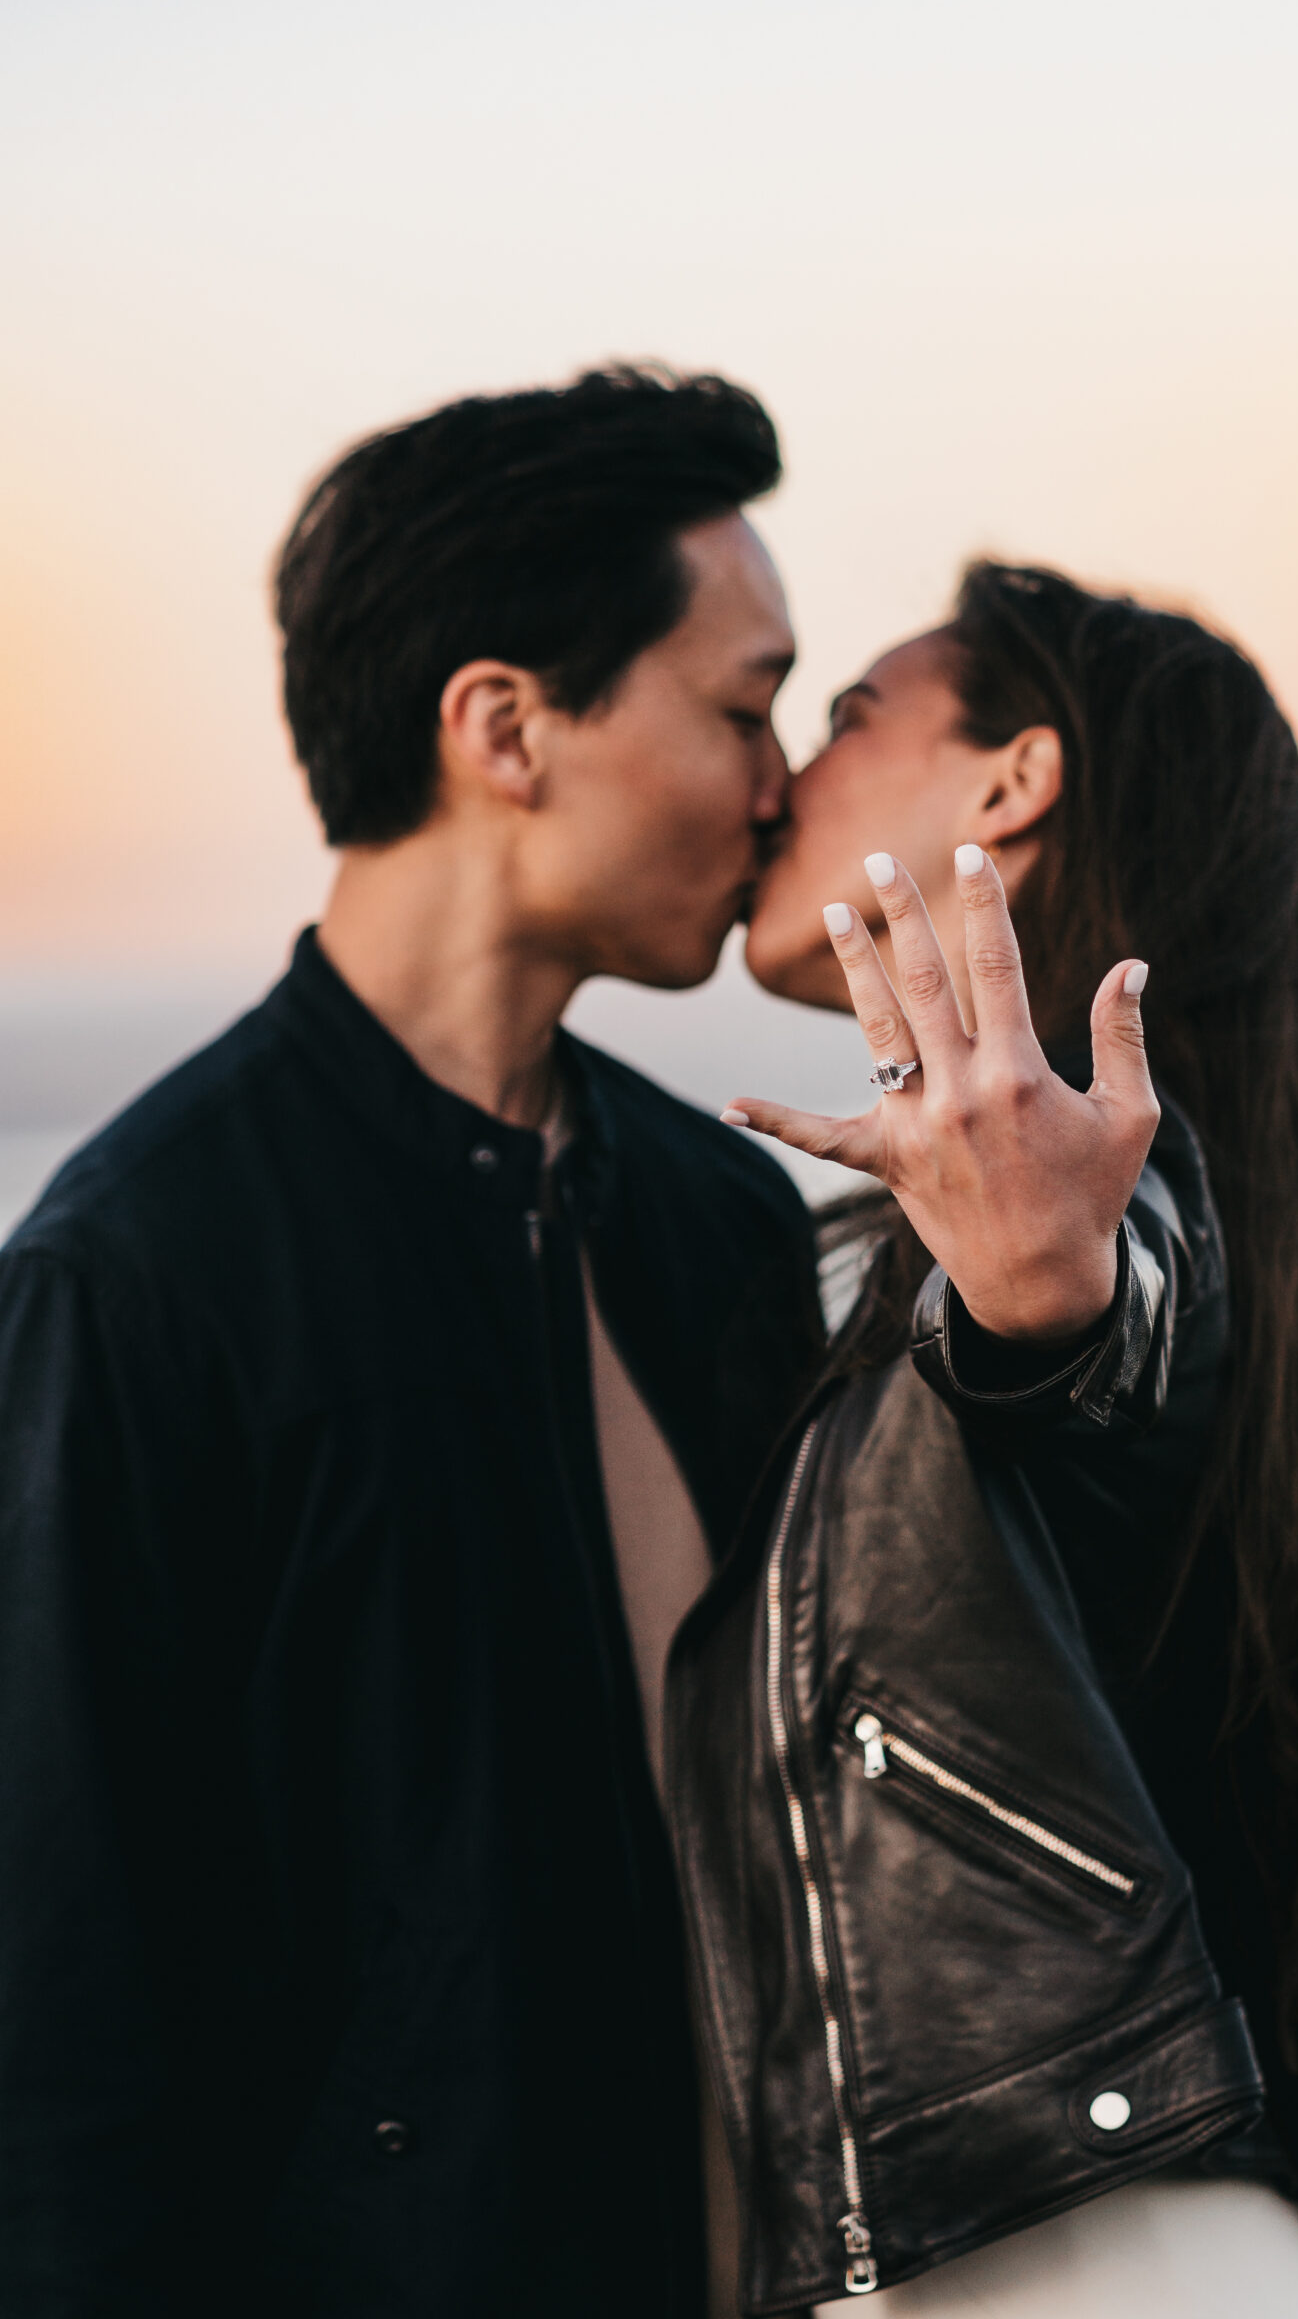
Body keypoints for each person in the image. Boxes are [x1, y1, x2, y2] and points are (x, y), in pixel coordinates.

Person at [0, 366, 826, 2317]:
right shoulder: (134, 1278)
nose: (782, 775)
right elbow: (55, 2047)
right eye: (740, 702)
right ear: (501, 726)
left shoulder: (721, 1226)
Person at [665, 562, 1298, 2311]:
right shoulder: (1192, 1204)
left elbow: (1102, 1339)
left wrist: (1043, 1295)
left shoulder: (1140, 1204)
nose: (782, 783)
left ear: (1011, 783)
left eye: (846, 720)